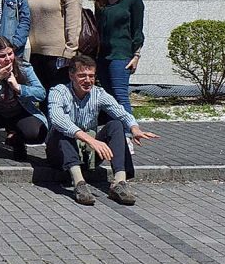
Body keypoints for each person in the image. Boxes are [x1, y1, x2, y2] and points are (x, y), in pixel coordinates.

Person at [47, 56, 159, 206]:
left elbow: (120, 111)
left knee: (116, 125)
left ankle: (119, 182)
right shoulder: (58, 91)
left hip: (88, 154)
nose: (88, 80)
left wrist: (134, 128)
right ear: (71, 75)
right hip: (61, 155)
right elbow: (57, 118)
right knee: (62, 130)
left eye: (91, 76)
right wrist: (90, 140)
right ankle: (79, 183)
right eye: (82, 76)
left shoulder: (98, 93)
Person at [0, 36, 48, 158]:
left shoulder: (24, 68)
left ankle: (16, 140)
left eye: (10, 54)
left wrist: (19, 88)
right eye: (2, 56)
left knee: (37, 133)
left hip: (19, 113)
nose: (8, 59)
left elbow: (41, 93)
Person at [25, 0, 82, 90]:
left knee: (56, 97)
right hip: (35, 54)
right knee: (41, 98)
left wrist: (70, 51)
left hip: (58, 55)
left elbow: (73, 21)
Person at [94, 0, 144, 113]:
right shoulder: (101, 0)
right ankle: (116, 133)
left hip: (121, 55)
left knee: (120, 95)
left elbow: (137, 29)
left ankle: (130, 133)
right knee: (109, 99)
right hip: (102, 55)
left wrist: (136, 56)